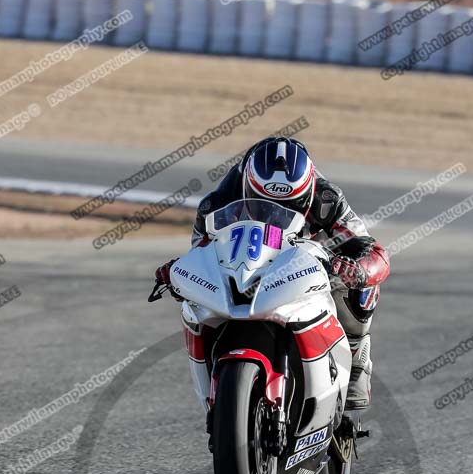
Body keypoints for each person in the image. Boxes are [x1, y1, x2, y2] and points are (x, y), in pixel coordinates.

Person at [155, 137, 390, 410]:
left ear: (306, 192)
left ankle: (355, 355)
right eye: (261, 201)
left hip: (309, 263)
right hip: (246, 263)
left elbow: (370, 248)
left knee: (360, 281)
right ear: (247, 187)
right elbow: (202, 253)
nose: (275, 210)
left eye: (290, 204)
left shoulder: (327, 199)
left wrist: (357, 269)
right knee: (193, 303)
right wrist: (181, 276)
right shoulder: (216, 204)